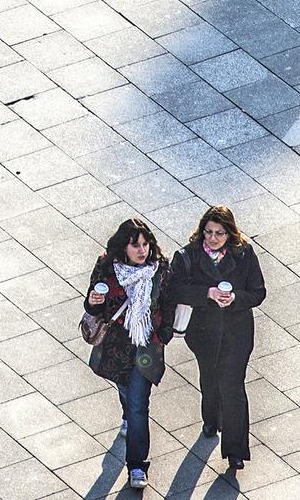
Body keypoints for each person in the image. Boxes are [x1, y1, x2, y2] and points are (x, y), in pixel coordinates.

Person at [169, 205, 266, 474]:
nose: (213, 238)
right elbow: (175, 289)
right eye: (208, 232)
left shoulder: (244, 254)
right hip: (204, 334)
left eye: (219, 233)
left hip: (237, 332)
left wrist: (235, 298)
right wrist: (207, 294)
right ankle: (211, 418)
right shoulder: (187, 256)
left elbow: (258, 292)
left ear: (230, 233)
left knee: (233, 386)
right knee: (210, 379)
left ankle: (235, 450)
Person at [83, 218, 176, 492]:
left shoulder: (161, 270)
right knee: (126, 393)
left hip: (147, 346)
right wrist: (93, 301)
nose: (142, 251)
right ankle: (127, 414)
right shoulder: (107, 268)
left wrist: (164, 333)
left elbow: (169, 303)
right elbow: (94, 307)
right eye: (135, 245)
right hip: (116, 347)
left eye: (146, 244)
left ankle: (137, 465)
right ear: (123, 247)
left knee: (138, 404)